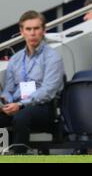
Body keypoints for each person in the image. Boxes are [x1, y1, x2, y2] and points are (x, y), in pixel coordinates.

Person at [0, 10, 65, 154]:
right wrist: (7, 103)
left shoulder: (52, 57)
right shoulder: (15, 59)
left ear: (43, 31)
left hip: (43, 107)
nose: (32, 33)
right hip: (17, 106)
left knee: (22, 116)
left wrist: (20, 104)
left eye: (36, 28)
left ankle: (19, 156)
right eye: (28, 29)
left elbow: (48, 90)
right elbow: (9, 90)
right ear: (22, 32)